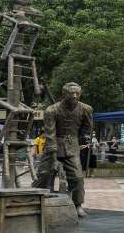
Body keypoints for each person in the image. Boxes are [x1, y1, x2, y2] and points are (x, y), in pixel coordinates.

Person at [31, 82, 93, 217]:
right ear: (64, 94)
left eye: (77, 93)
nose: (75, 96)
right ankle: (35, 200)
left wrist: (83, 139)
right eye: (72, 93)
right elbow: (50, 133)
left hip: (72, 147)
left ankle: (77, 205)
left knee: (77, 177)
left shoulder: (85, 109)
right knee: (44, 174)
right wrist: (53, 153)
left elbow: (88, 128)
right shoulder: (51, 110)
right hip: (53, 145)